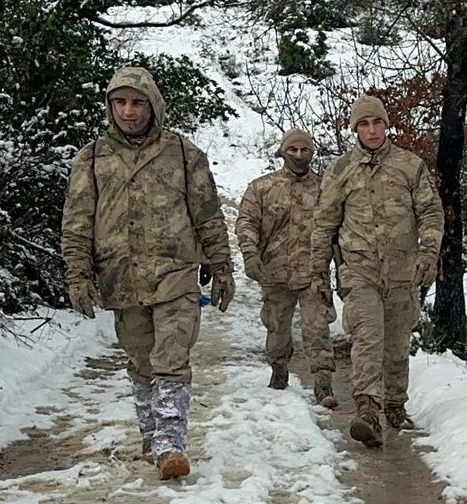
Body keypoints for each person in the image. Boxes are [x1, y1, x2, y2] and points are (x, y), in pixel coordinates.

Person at [61, 66, 235, 481]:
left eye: (137, 102)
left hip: (175, 275)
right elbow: (77, 222)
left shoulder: (184, 154)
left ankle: (170, 444)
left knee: (171, 358)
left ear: (153, 105)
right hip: (121, 278)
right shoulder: (92, 158)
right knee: (141, 362)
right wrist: (78, 275)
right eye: (120, 102)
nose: (129, 111)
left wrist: (222, 267)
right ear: (110, 107)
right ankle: (151, 435)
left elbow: (208, 215)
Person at [311, 94, 444, 448]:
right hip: (359, 270)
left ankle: (395, 406)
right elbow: (323, 226)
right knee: (368, 338)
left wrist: (429, 251)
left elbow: (431, 212)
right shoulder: (340, 170)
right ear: (355, 129)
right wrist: (318, 274)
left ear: (386, 125)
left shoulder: (409, 166)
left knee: (396, 343)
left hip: (402, 271)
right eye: (364, 124)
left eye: (377, 123)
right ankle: (368, 411)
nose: (371, 130)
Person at [237, 128, 337, 408]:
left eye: (304, 150)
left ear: (312, 153)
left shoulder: (326, 190)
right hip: (274, 273)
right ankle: (279, 372)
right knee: (277, 329)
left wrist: (341, 266)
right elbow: (246, 222)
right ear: (282, 152)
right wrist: (250, 255)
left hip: (313, 273)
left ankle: (323, 384)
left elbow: (338, 228)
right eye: (293, 150)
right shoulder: (262, 188)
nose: (299, 155)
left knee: (318, 330)